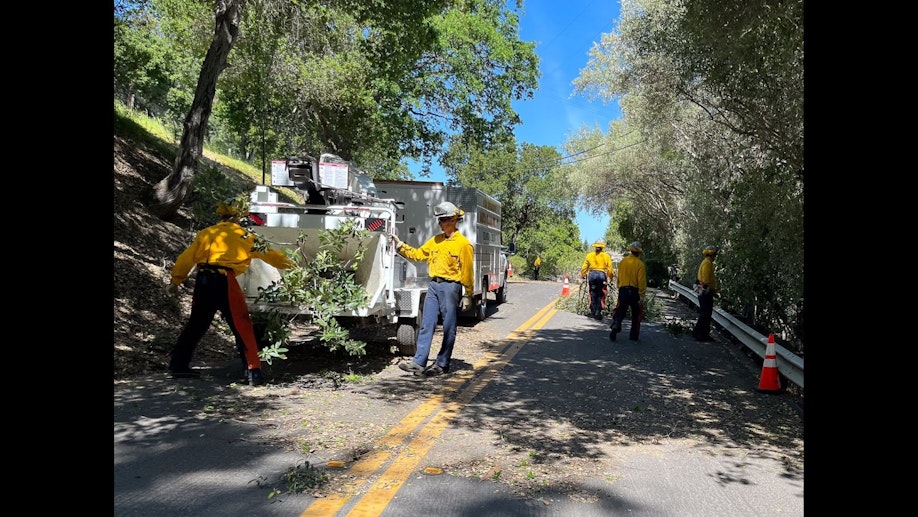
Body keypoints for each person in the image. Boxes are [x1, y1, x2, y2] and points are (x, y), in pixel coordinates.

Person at [165, 197, 297, 386]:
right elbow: (271, 256)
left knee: (196, 324)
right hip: (224, 280)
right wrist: (294, 266)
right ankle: (253, 371)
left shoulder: (206, 233)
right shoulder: (244, 235)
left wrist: (176, 280)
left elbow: (186, 258)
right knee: (241, 325)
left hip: (203, 280)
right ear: (239, 217)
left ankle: (177, 366)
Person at [390, 201, 474, 377]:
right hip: (434, 286)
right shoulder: (436, 240)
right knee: (427, 324)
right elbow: (419, 254)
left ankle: (442, 364)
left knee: (449, 327)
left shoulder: (463, 244)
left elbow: (467, 271)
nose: (440, 224)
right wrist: (400, 246)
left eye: (442, 220)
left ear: (453, 220)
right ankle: (419, 363)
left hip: (451, 287)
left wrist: (469, 295)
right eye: (439, 221)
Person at [609, 241, 647, 341]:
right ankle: (633, 335)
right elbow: (641, 281)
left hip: (623, 290)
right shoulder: (640, 264)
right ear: (639, 253)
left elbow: (619, 277)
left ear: (631, 250)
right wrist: (642, 294)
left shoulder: (622, 262)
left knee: (620, 310)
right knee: (636, 314)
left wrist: (619, 287)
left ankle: (616, 324)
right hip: (635, 292)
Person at [580, 239, 615, 320]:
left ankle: (593, 311)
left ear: (595, 247)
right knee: (601, 293)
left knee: (592, 293)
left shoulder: (590, 255)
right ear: (602, 247)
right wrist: (611, 277)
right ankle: (598, 311)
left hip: (592, 275)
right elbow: (610, 269)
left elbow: (584, 267)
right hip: (602, 275)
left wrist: (583, 275)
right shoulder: (606, 256)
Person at [692, 245, 718, 342]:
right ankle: (700, 334)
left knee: (705, 313)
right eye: (714, 255)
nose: (715, 257)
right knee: (705, 313)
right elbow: (706, 280)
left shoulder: (706, 262)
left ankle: (702, 333)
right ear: (711, 254)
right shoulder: (707, 263)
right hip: (705, 291)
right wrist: (711, 288)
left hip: (704, 290)